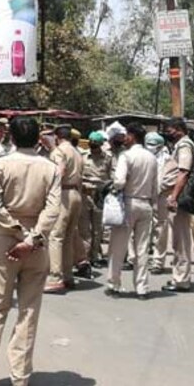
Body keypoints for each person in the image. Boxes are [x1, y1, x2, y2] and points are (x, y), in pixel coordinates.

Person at [0, 116, 61, 386]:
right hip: (36, 246)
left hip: (6, 242)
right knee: (28, 312)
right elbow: (53, 209)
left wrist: (18, 234)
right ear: (38, 139)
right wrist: (32, 239)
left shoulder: (2, 164)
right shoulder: (51, 168)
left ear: (12, 137)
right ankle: (20, 378)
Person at [104, 123, 159, 299]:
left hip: (128, 203)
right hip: (146, 204)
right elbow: (155, 186)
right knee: (142, 249)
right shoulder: (151, 158)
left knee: (118, 246)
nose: (124, 138)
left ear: (133, 136)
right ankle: (142, 288)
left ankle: (114, 285)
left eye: (126, 135)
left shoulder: (126, 156)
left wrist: (113, 187)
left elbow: (119, 181)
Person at [43, 125, 84, 293]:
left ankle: (55, 277)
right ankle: (68, 275)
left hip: (63, 194)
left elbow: (59, 172)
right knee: (68, 237)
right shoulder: (77, 151)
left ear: (57, 137)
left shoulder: (59, 151)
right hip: (76, 193)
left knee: (56, 236)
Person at [162, 117, 194, 293]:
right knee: (178, 240)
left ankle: (181, 280)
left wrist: (173, 197)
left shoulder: (184, 146)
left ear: (179, 129)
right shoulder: (180, 145)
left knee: (180, 241)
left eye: (169, 131)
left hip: (180, 199)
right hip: (179, 198)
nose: (168, 134)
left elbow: (183, 172)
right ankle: (180, 276)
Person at [80, 131, 112, 268]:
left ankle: (94, 256)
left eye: (96, 144)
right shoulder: (82, 157)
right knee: (84, 229)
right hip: (85, 194)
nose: (93, 146)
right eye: (91, 143)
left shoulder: (107, 158)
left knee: (97, 229)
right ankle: (85, 258)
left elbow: (111, 177)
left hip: (99, 195)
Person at [146, 132, 172, 274]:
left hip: (160, 197)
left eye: (153, 145)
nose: (150, 147)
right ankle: (134, 259)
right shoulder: (143, 157)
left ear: (161, 146)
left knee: (160, 230)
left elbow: (169, 179)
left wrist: (158, 190)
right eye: (148, 144)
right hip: (143, 196)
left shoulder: (168, 160)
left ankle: (158, 262)